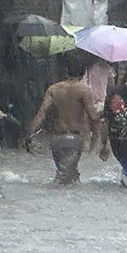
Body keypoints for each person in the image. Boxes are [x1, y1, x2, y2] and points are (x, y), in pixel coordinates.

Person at [28, 56, 101, 184]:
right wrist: (97, 138)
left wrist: (29, 134)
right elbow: (93, 117)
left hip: (56, 139)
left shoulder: (54, 89)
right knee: (66, 177)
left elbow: (42, 113)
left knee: (67, 174)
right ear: (84, 71)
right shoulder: (84, 90)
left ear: (66, 71)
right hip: (74, 139)